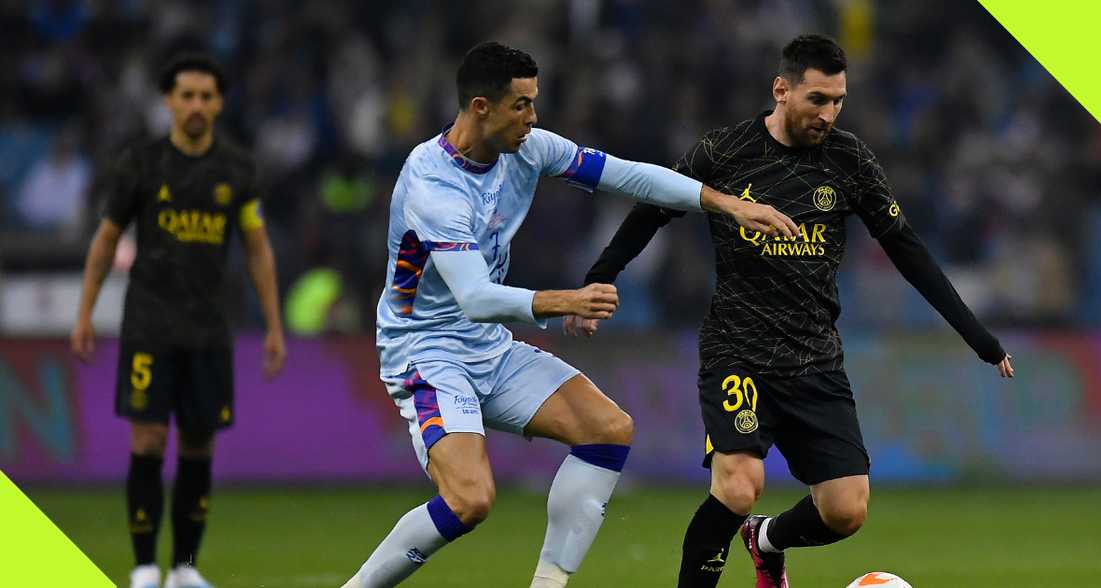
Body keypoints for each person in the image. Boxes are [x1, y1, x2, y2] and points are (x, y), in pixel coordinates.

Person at [342, 41, 797, 588]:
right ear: (481, 107)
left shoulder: (528, 148)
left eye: (535, 104)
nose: (533, 118)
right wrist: (566, 302)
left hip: (487, 345)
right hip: (428, 353)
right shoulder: (431, 182)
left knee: (609, 430)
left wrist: (727, 204)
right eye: (522, 105)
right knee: (469, 500)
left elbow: (629, 176)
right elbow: (475, 296)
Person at [568, 34, 1015, 588]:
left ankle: (767, 539)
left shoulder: (849, 160)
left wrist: (979, 338)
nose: (829, 114)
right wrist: (598, 279)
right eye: (818, 100)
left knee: (846, 510)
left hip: (815, 359)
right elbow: (650, 210)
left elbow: (908, 250)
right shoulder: (725, 152)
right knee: (736, 486)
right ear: (782, 90)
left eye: (838, 101)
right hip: (737, 350)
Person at [70, 54, 286, 588]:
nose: (195, 106)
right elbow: (105, 241)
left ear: (218, 103)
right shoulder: (140, 164)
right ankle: (145, 566)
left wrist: (275, 325)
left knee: (198, 446)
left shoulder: (236, 170)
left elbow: (257, 249)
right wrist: (84, 312)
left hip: (209, 329)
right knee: (146, 442)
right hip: (149, 325)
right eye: (186, 95)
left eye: (205, 96)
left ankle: (184, 571)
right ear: (168, 101)